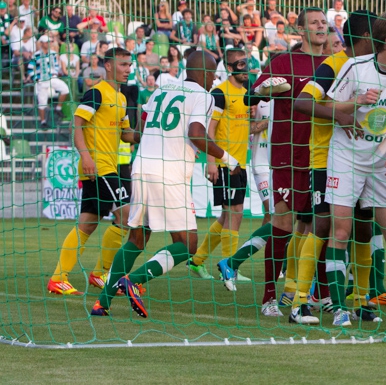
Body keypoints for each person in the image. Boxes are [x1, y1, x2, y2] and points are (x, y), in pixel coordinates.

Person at [90, 51, 235, 317]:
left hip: (142, 166)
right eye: (213, 74)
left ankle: (102, 302)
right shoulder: (203, 96)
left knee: (137, 237)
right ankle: (133, 281)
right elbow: (197, 134)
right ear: (202, 72)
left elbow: (143, 126)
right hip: (170, 173)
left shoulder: (161, 91)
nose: (215, 80)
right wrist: (227, 157)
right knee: (187, 244)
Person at [216, 9, 327, 318]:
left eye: (324, 23)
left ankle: (304, 291)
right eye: (315, 23)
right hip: (287, 154)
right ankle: (269, 298)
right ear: (301, 30)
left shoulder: (334, 63)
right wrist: (267, 89)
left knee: (319, 224)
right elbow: (253, 96)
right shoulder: (283, 62)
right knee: (282, 221)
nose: (322, 27)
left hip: (326, 155)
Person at [289, 11, 380, 322]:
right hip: (326, 157)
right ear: (366, 37)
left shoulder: (375, 67)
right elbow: (302, 102)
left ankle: (359, 300)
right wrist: (340, 115)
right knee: (324, 225)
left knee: (365, 227)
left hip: (365, 159)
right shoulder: (334, 64)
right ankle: (299, 301)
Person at [319, 12, 386, 327]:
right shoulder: (355, 67)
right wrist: (355, 102)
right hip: (346, 158)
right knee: (341, 231)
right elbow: (327, 106)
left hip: (381, 161)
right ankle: (342, 308)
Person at [48, 48, 139, 296]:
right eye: (123, 65)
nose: (128, 69)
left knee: (87, 223)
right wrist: (85, 156)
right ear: (108, 66)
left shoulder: (121, 98)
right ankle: (100, 273)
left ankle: (59, 278)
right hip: (98, 166)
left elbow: (126, 135)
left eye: (130, 65)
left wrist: (147, 128)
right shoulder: (96, 93)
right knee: (125, 216)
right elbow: (77, 124)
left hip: (109, 167)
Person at [187, 48, 253, 283]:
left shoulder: (246, 93)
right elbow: (209, 129)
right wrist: (211, 162)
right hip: (226, 164)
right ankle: (229, 267)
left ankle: (197, 261)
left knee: (228, 215)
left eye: (247, 62)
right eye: (240, 63)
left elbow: (244, 127)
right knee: (234, 214)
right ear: (231, 67)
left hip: (240, 163)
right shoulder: (219, 94)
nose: (245, 67)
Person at [29, 35, 70, 129]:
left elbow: (55, 65)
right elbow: (30, 69)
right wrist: (36, 79)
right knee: (42, 103)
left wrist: (55, 73)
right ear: (42, 43)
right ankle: (43, 121)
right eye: (46, 42)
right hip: (41, 80)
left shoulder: (52, 53)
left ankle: (58, 108)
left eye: (49, 42)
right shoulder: (36, 55)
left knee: (65, 89)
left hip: (51, 78)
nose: (48, 44)